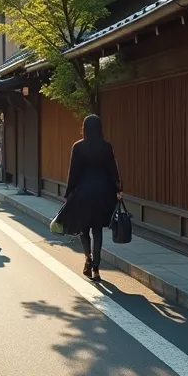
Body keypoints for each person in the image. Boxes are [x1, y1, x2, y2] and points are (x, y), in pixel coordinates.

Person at [64, 114, 122, 281]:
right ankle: (96, 268)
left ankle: (88, 258)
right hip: (102, 194)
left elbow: (73, 172)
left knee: (83, 229)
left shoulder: (78, 147)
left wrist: (68, 193)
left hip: (82, 194)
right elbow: (112, 170)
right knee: (97, 230)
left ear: (84, 128)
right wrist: (118, 189)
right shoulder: (106, 147)